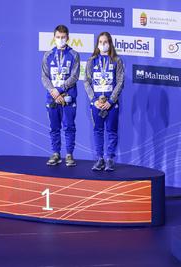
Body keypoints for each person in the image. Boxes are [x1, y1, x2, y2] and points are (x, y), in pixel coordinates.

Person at [84, 32, 124, 171]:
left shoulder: (117, 60)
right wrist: (94, 100)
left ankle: (110, 159)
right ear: (97, 44)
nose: (103, 44)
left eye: (105, 42)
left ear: (110, 43)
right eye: (100, 42)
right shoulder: (91, 60)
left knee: (112, 131)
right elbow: (86, 82)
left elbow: (120, 82)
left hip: (111, 104)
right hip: (96, 104)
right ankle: (100, 159)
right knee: (98, 131)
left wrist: (111, 100)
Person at [41, 25, 80, 167]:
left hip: (68, 97)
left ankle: (69, 154)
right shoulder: (48, 55)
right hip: (52, 97)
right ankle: (56, 153)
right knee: (54, 127)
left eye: (63, 37)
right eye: (58, 37)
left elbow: (75, 76)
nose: (60, 39)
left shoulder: (74, 55)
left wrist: (60, 90)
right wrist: (53, 91)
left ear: (68, 38)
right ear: (54, 38)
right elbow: (44, 77)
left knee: (69, 126)